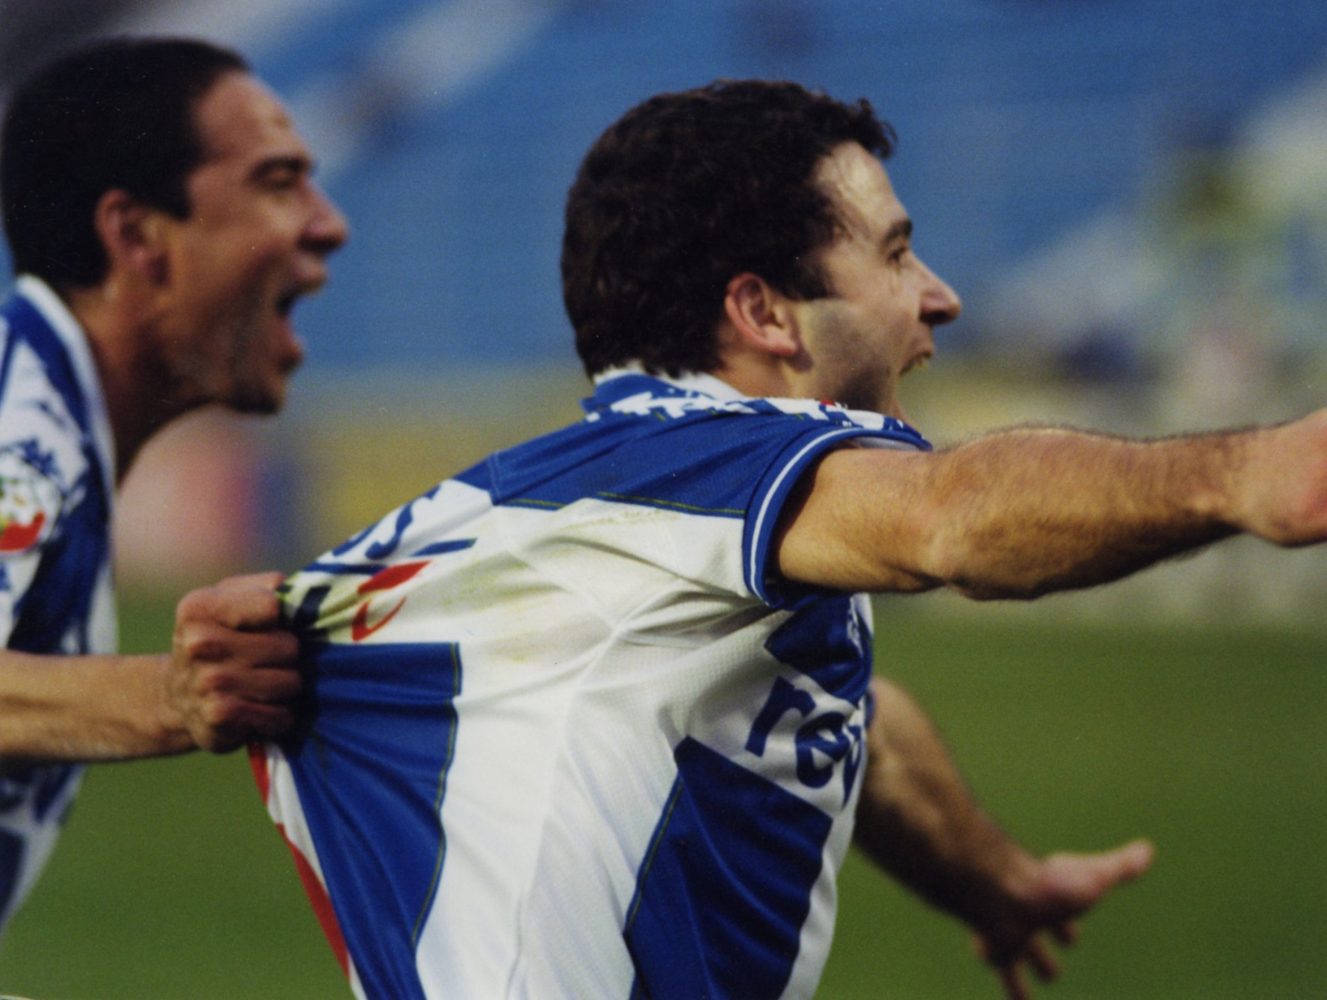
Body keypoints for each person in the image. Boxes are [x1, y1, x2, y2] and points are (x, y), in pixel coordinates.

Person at [249, 76, 1327, 1000]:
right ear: (764, 315)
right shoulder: (706, 465)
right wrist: (1247, 476)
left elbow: (848, 722)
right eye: (894, 254)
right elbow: (951, 518)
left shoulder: (583, 516)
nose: (939, 297)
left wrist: (990, 876)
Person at [0, 36, 348, 935]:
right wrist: (168, 695)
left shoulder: (49, 418)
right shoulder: (21, 430)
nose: (328, 225)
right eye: (278, 182)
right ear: (136, 236)